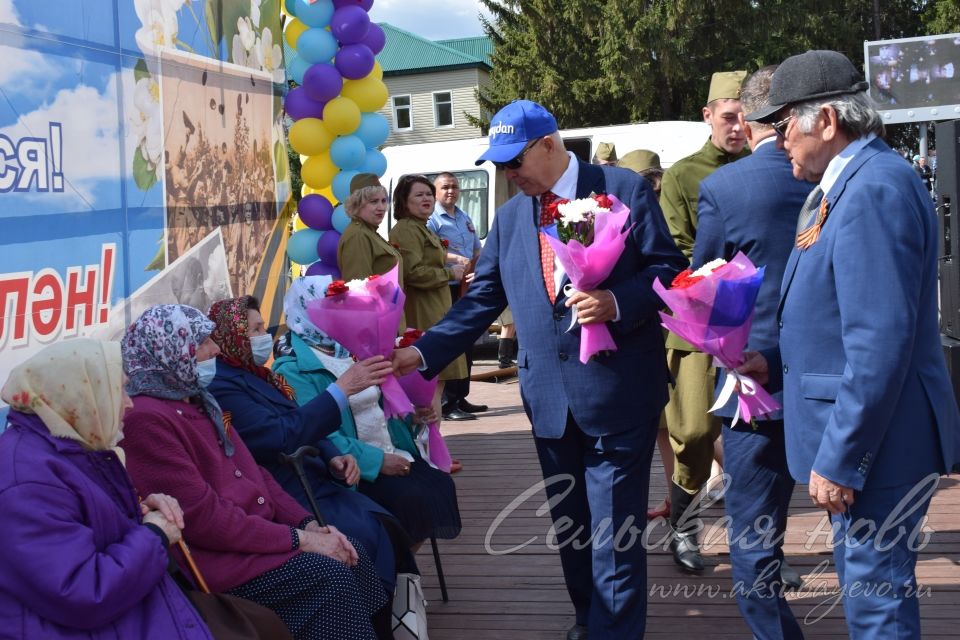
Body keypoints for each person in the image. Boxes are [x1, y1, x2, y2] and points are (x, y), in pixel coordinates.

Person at [392, 99, 687, 640]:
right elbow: (480, 300)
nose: (508, 175)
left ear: (548, 145)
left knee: (614, 534)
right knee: (572, 528)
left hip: (619, 394)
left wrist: (616, 303)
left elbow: (668, 272)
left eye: (514, 162)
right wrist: (423, 351)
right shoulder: (509, 218)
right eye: (500, 165)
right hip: (549, 400)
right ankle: (587, 619)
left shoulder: (622, 189)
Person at [742, 49, 960, 639]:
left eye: (783, 124)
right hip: (876, 436)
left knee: (877, 608)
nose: (777, 139)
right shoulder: (862, 181)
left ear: (828, 121)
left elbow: (879, 343)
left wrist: (842, 457)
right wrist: (776, 361)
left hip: (877, 447)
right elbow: (845, 319)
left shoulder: (871, 190)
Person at [119, 304, 390, 640]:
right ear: (169, 350)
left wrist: (309, 525)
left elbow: (256, 474)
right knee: (328, 575)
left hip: (258, 538)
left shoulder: (198, 400)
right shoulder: (147, 419)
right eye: (203, 341)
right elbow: (204, 519)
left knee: (352, 553)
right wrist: (299, 540)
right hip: (224, 561)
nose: (215, 349)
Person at [692, 65, 812, 638]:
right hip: (837, 375)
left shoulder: (724, 188)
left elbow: (704, 285)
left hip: (754, 382)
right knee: (867, 531)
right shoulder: (835, 177)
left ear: (746, 115)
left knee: (754, 533)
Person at [0, 339, 213, 640]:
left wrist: (141, 514)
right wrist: (154, 535)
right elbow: (82, 591)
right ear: (81, 395)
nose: (129, 402)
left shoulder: (72, 447)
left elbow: (91, 529)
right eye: (119, 389)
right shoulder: (25, 479)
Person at [206, 295, 413, 595]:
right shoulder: (223, 383)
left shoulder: (259, 374)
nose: (264, 336)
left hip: (314, 477)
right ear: (230, 334)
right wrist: (341, 390)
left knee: (387, 521)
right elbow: (280, 434)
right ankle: (376, 612)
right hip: (288, 489)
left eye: (264, 326)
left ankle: (391, 609)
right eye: (254, 329)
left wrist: (334, 457)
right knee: (365, 534)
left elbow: (297, 418)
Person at [274, 276, 463, 547]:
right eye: (329, 306)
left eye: (340, 305)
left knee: (438, 485)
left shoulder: (350, 347)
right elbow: (316, 432)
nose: (338, 313)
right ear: (305, 310)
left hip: (390, 451)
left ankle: (404, 574)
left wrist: (413, 417)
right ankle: (397, 576)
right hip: (347, 469)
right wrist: (376, 462)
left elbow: (378, 406)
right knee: (409, 501)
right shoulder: (293, 369)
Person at [657, 70, 750, 573]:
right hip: (695, 323)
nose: (738, 127)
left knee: (759, 435)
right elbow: (677, 246)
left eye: (745, 118)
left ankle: (759, 546)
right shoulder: (683, 174)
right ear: (708, 116)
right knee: (693, 431)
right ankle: (685, 527)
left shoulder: (769, 168)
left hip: (756, 324)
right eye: (729, 117)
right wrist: (730, 279)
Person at [616, 147, 673, 519]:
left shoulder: (650, 211)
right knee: (668, 428)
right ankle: (677, 499)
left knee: (678, 426)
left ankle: (685, 502)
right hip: (657, 326)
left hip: (676, 329)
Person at [389, 174, 467, 418]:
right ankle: (431, 451)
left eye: (429, 194)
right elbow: (413, 273)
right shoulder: (406, 229)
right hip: (423, 312)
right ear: (404, 200)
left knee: (436, 385)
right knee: (427, 388)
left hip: (436, 308)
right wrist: (449, 273)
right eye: (419, 194)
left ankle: (435, 449)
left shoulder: (421, 227)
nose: (427, 199)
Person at [428, 172, 487, 421]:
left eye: (454, 187)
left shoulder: (463, 217)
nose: (451, 191)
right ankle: (447, 402)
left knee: (466, 342)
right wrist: (454, 259)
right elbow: (430, 252)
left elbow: (476, 248)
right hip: (444, 287)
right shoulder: (432, 220)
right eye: (445, 187)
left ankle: (460, 396)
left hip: (465, 287)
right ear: (435, 192)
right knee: (450, 342)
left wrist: (481, 267)